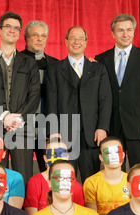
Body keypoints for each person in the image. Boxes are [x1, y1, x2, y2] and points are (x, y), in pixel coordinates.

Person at [0, 11, 41, 187]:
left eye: (16, 28)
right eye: (8, 26)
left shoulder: (29, 62)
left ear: (20, 33)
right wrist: (4, 116)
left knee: (22, 178)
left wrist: (17, 119)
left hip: (22, 128)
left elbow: (34, 95)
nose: (12, 30)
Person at [45, 25, 112, 183]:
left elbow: (105, 100)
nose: (76, 42)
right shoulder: (54, 69)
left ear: (86, 42)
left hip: (91, 134)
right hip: (64, 135)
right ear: (66, 42)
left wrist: (102, 127)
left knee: (91, 180)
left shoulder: (98, 69)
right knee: (64, 179)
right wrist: (53, 131)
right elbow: (51, 101)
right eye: (73, 38)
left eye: (80, 38)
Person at [95, 14, 140, 169]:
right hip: (112, 126)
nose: (125, 34)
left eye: (129, 30)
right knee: (114, 171)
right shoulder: (101, 58)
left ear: (134, 32)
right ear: (113, 34)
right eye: (121, 30)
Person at [21, 20, 59, 172]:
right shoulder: (16, 61)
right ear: (26, 38)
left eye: (43, 36)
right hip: (23, 127)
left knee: (49, 169)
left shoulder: (56, 65)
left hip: (47, 126)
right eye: (35, 35)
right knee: (23, 170)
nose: (39, 39)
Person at [24, 137, 84, 215]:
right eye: (53, 154)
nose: (58, 158)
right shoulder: (34, 182)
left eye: (62, 154)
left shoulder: (76, 186)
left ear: (67, 157)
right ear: (45, 158)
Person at [83, 136, 130, 215]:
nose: (113, 157)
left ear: (123, 155)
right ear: (101, 157)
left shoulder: (131, 180)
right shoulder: (91, 182)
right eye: (108, 153)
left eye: (117, 152)